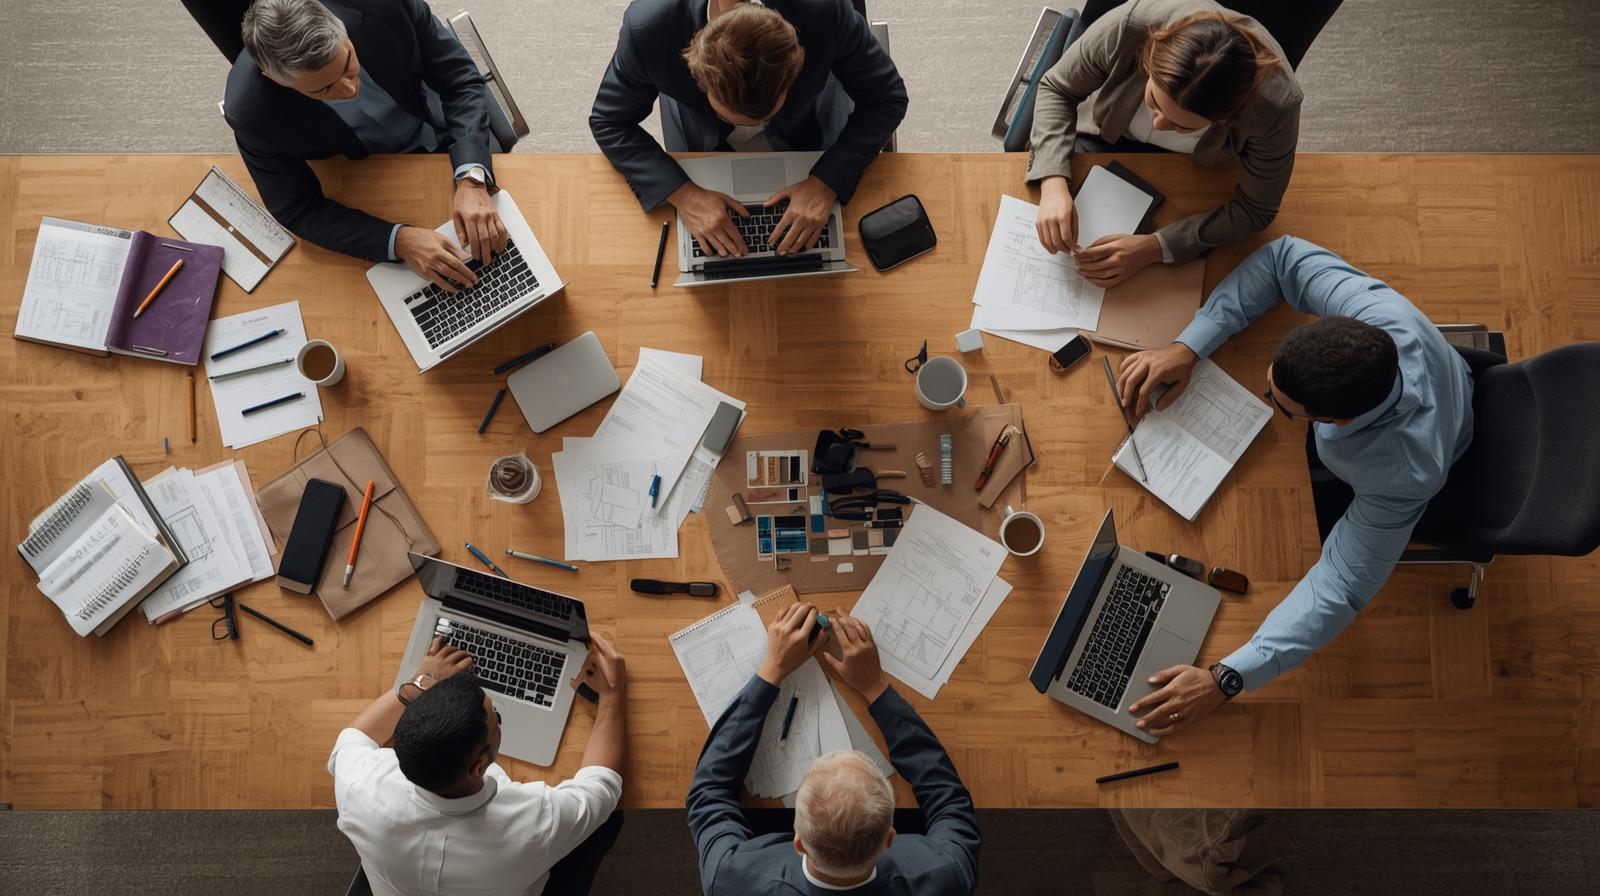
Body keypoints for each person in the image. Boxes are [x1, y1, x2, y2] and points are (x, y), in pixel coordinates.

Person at [1113, 236, 1474, 735]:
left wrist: (1225, 678)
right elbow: (1282, 259)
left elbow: (1342, 587)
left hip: (1441, 443)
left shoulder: (1401, 474)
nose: (1268, 398)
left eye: (1282, 407)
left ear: (1338, 422)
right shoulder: (1377, 315)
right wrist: (1188, 345)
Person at [687, 603, 980, 894]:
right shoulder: (947, 873)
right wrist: (876, 688)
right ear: (891, 838)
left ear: (798, 841)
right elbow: (951, 802)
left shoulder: (728, 877)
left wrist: (771, 669)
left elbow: (709, 794)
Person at [228, 0, 508, 293]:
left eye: (348, 63)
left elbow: (459, 80)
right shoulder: (252, 114)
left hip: (451, 132)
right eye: (324, 89)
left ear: (342, 29)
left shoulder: (383, 5)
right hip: (373, 177)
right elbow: (297, 209)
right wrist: (399, 241)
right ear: (275, 80)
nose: (349, 90)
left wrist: (472, 178)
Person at [590, 0, 906, 258]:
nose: (753, 127)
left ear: (795, 67)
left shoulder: (824, 10)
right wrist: (684, 194)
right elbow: (609, 121)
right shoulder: (648, 28)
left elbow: (886, 97)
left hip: (810, 138)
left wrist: (828, 181)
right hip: (702, 148)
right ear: (697, 75)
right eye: (735, 115)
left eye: (762, 114)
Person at [328, 634, 629, 896]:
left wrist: (420, 682)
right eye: (496, 719)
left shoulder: (360, 786)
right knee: (608, 821)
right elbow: (602, 786)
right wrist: (612, 695)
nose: (497, 719)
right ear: (478, 767)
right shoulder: (533, 826)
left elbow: (351, 739)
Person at [1026, 0, 1302, 286]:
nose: (1158, 124)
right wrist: (1053, 183)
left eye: (1180, 125)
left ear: (1228, 118)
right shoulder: (1132, 25)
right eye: (1154, 101)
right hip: (1103, 135)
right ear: (1149, 58)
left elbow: (1256, 209)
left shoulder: (1275, 106)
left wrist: (1153, 248)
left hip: (1200, 175)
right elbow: (1057, 88)